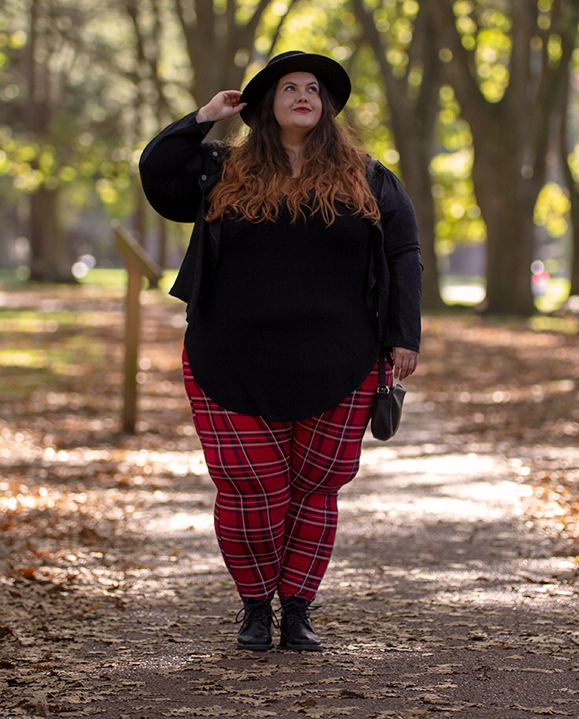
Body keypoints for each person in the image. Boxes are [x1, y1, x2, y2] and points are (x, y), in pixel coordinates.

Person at [138, 50, 422, 652]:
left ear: (327, 107)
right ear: (266, 103)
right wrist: (205, 116)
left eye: (313, 89)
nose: (302, 96)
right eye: (288, 87)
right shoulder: (220, 169)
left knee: (316, 487)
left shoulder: (369, 177)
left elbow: (403, 255)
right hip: (228, 356)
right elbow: (157, 174)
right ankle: (253, 607)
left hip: (341, 358)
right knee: (252, 488)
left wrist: (403, 336)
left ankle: (297, 609)